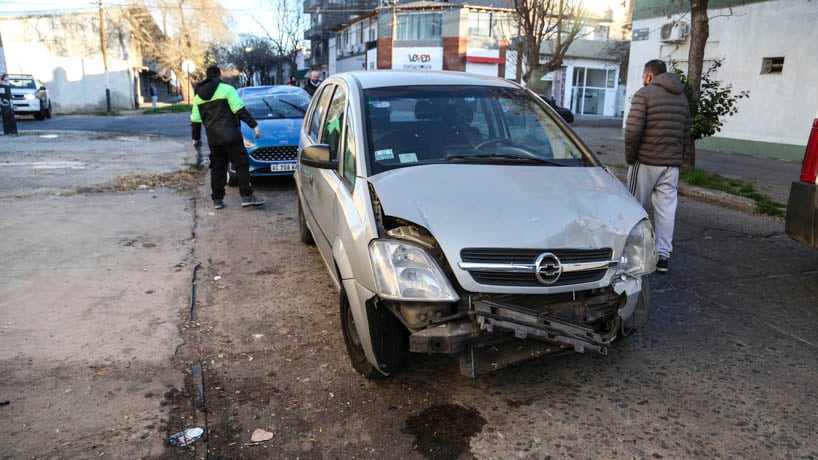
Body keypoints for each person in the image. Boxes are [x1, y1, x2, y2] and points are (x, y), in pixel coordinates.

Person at [625, 59, 691, 273]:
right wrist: (677, 157)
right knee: (666, 211)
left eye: (644, 76)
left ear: (649, 76)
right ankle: (663, 256)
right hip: (671, 165)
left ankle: (629, 253)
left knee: (632, 206)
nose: (643, 80)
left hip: (645, 161)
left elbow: (633, 130)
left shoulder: (643, 94)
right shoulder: (681, 97)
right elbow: (685, 132)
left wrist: (630, 157)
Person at [191, 65, 265, 209]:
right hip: (231, 135)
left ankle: (217, 200)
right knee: (241, 164)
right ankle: (247, 196)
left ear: (207, 76)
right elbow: (239, 110)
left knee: (217, 168)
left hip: (214, 138)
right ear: (219, 75)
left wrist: (196, 139)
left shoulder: (198, 96)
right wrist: (253, 125)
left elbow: (195, 120)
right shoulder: (227, 89)